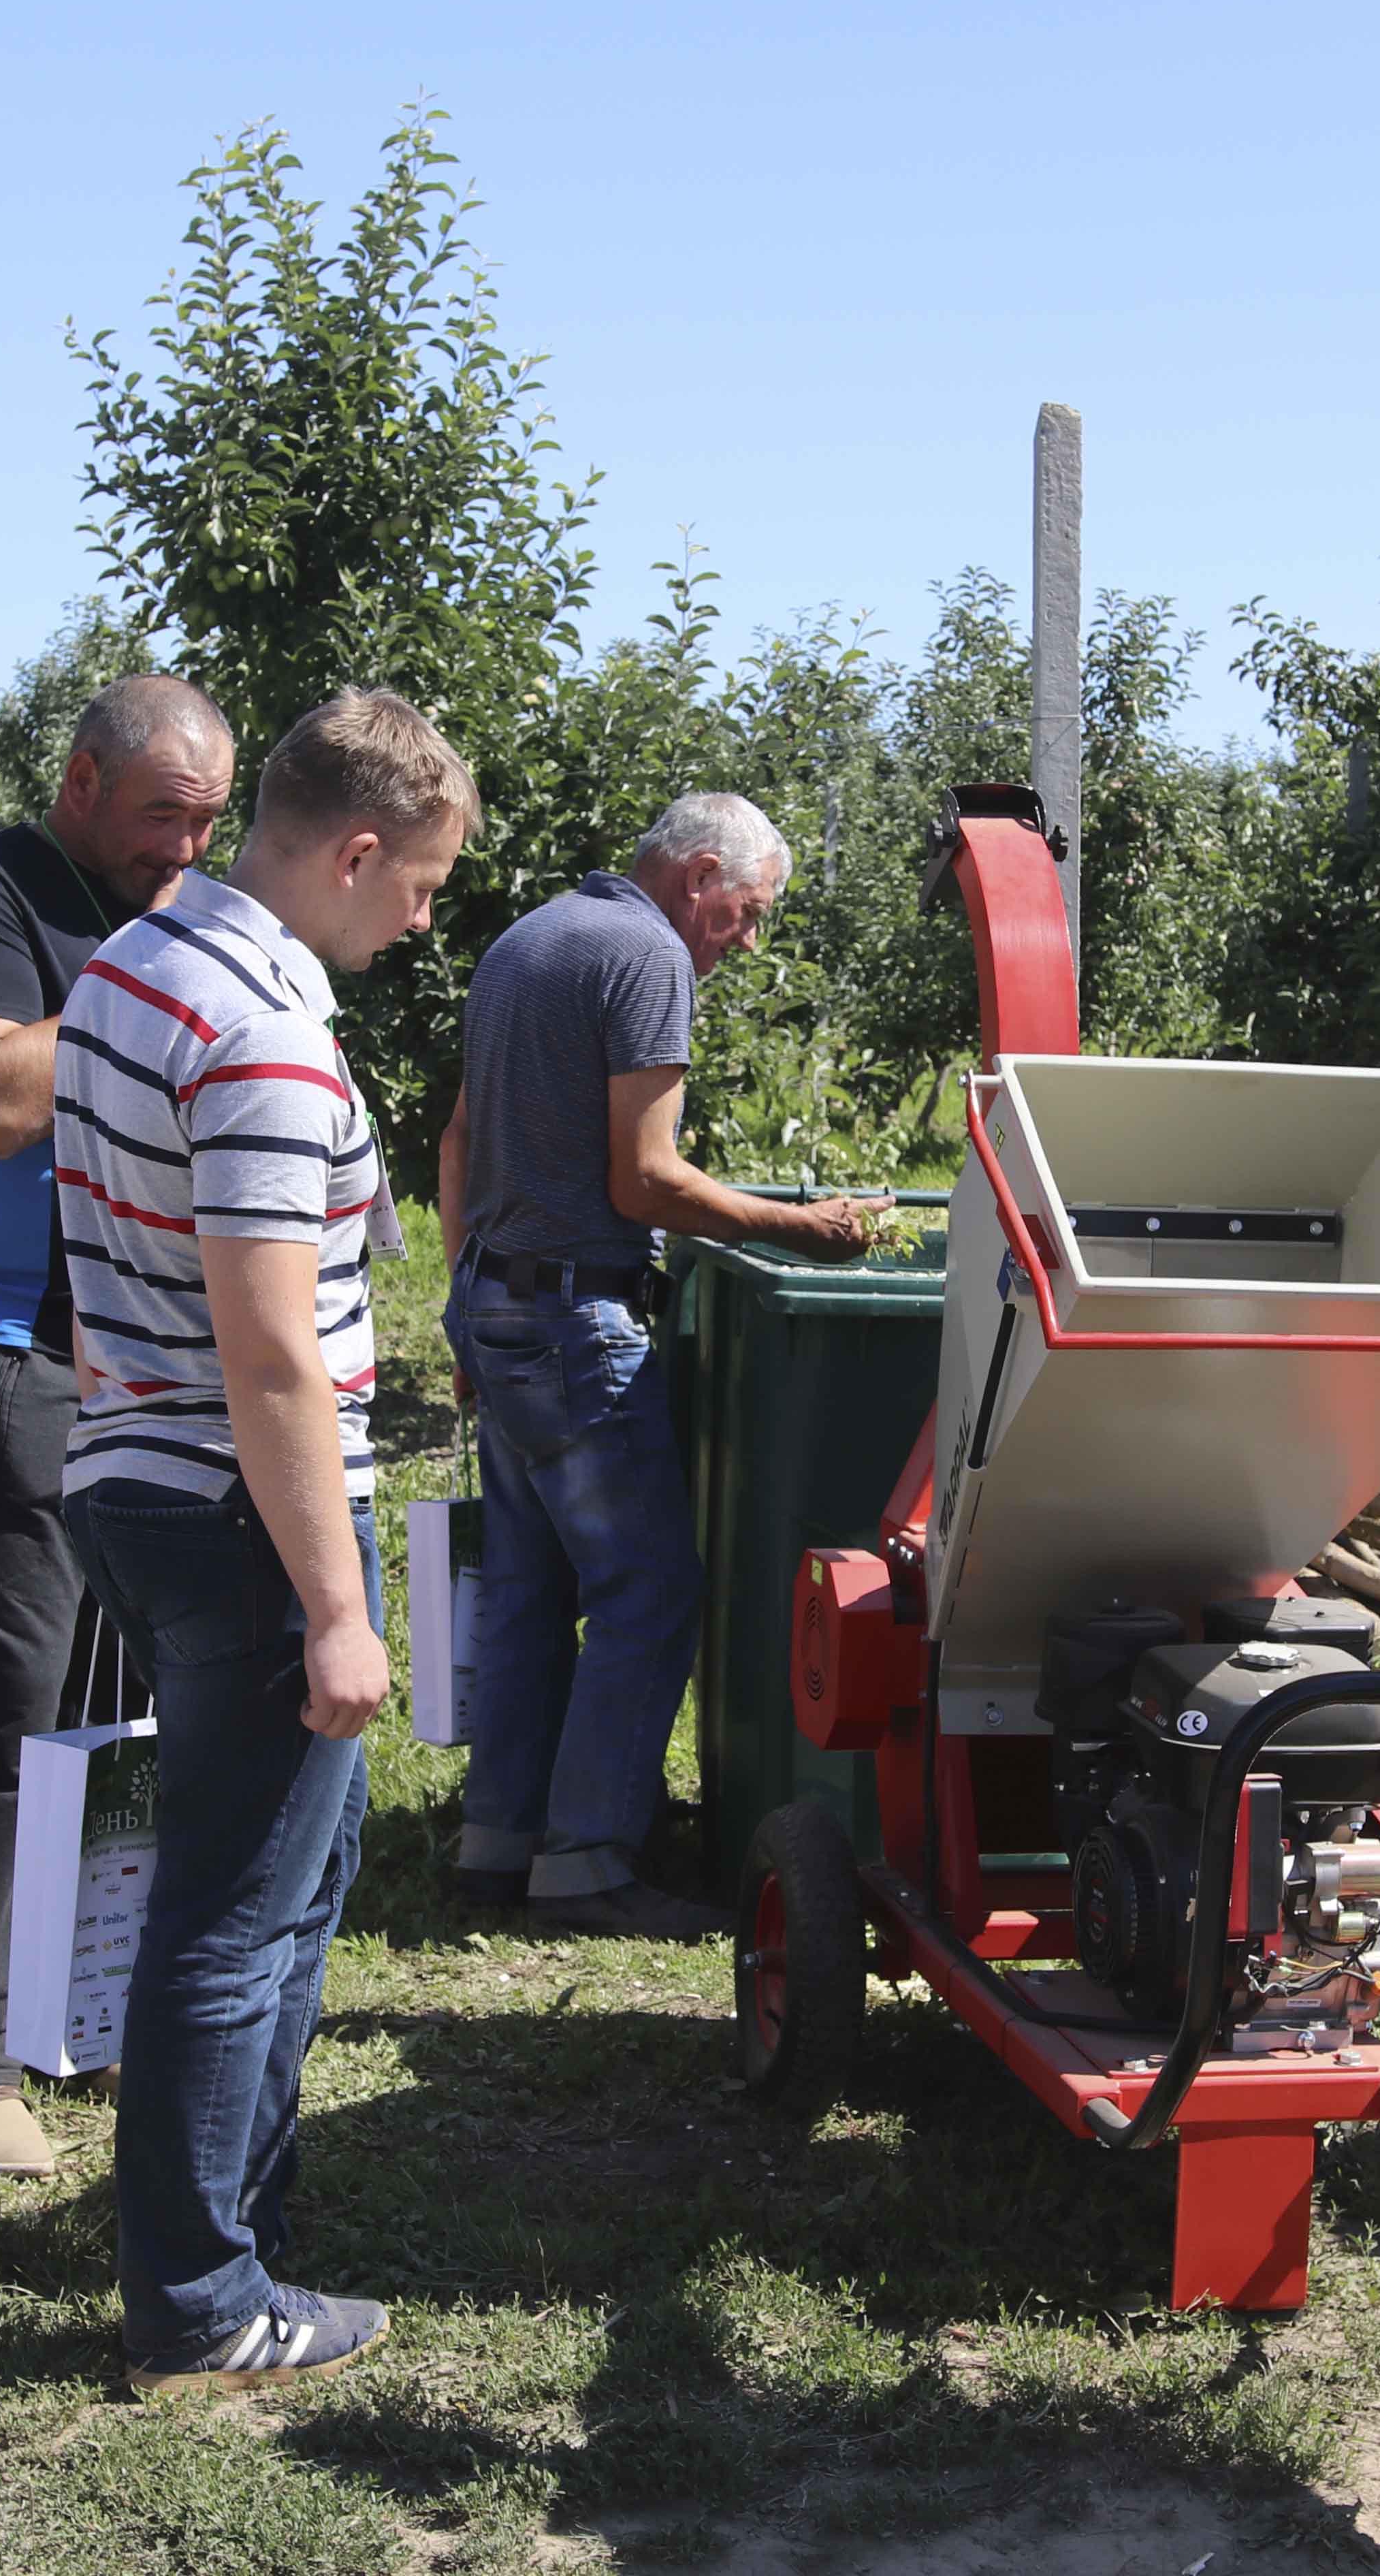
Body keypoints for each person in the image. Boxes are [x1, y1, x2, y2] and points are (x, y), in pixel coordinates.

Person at [53, 686, 470, 2393]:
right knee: (235, 1910)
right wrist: (336, 1606)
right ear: (354, 850)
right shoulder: (269, 1039)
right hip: (247, 1502)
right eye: (423, 883)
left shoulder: (126, 973)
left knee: (281, 1881)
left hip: (138, 1473)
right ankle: (205, 2299)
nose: (425, 917)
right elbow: (273, 1344)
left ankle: (231, 2221)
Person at [0, 673, 235, 2178]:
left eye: (210, 825)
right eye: (164, 816)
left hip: (158, 1353)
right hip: (12, 1351)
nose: (185, 851)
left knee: (134, 1699)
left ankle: (72, 1999)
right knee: (4, 1708)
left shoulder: (173, 903)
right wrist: (158, 989)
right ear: (83, 781)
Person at [433, 793, 882, 1939]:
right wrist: (802, 1225)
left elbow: (457, 1144)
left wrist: (464, 1306)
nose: (745, 939)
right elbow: (645, 1183)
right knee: (648, 1590)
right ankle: (587, 1862)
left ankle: (499, 1841)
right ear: (696, 876)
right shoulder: (646, 956)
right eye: (747, 912)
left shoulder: (528, 939)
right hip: (579, 1316)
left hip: (501, 1299)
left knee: (533, 1589)